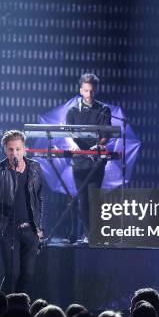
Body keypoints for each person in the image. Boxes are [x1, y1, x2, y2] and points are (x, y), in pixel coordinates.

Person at [0, 130, 44, 294]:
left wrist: (39, 227)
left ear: (24, 149)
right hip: (8, 229)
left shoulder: (35, 168)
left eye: (18, 149)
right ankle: (2, 307)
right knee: (12, 274)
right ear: (5, 150)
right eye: (10, 149)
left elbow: (39, 198)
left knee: (28, 275)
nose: (14, 153)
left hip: (30, 228)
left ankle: (18, 305)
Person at [65, 73, 111, 243]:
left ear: (96, 91)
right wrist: (73, 145)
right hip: (79, 159)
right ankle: (89, 233)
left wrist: (99, 144)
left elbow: (106, 134)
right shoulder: (73, 111)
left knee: (93, 196)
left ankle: (92, 234)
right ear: (81, 91)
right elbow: (67, 133)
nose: (89, 94)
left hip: (96, 159)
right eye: (86, 91)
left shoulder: (104, 109)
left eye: (92, 91)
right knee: (82, 198)